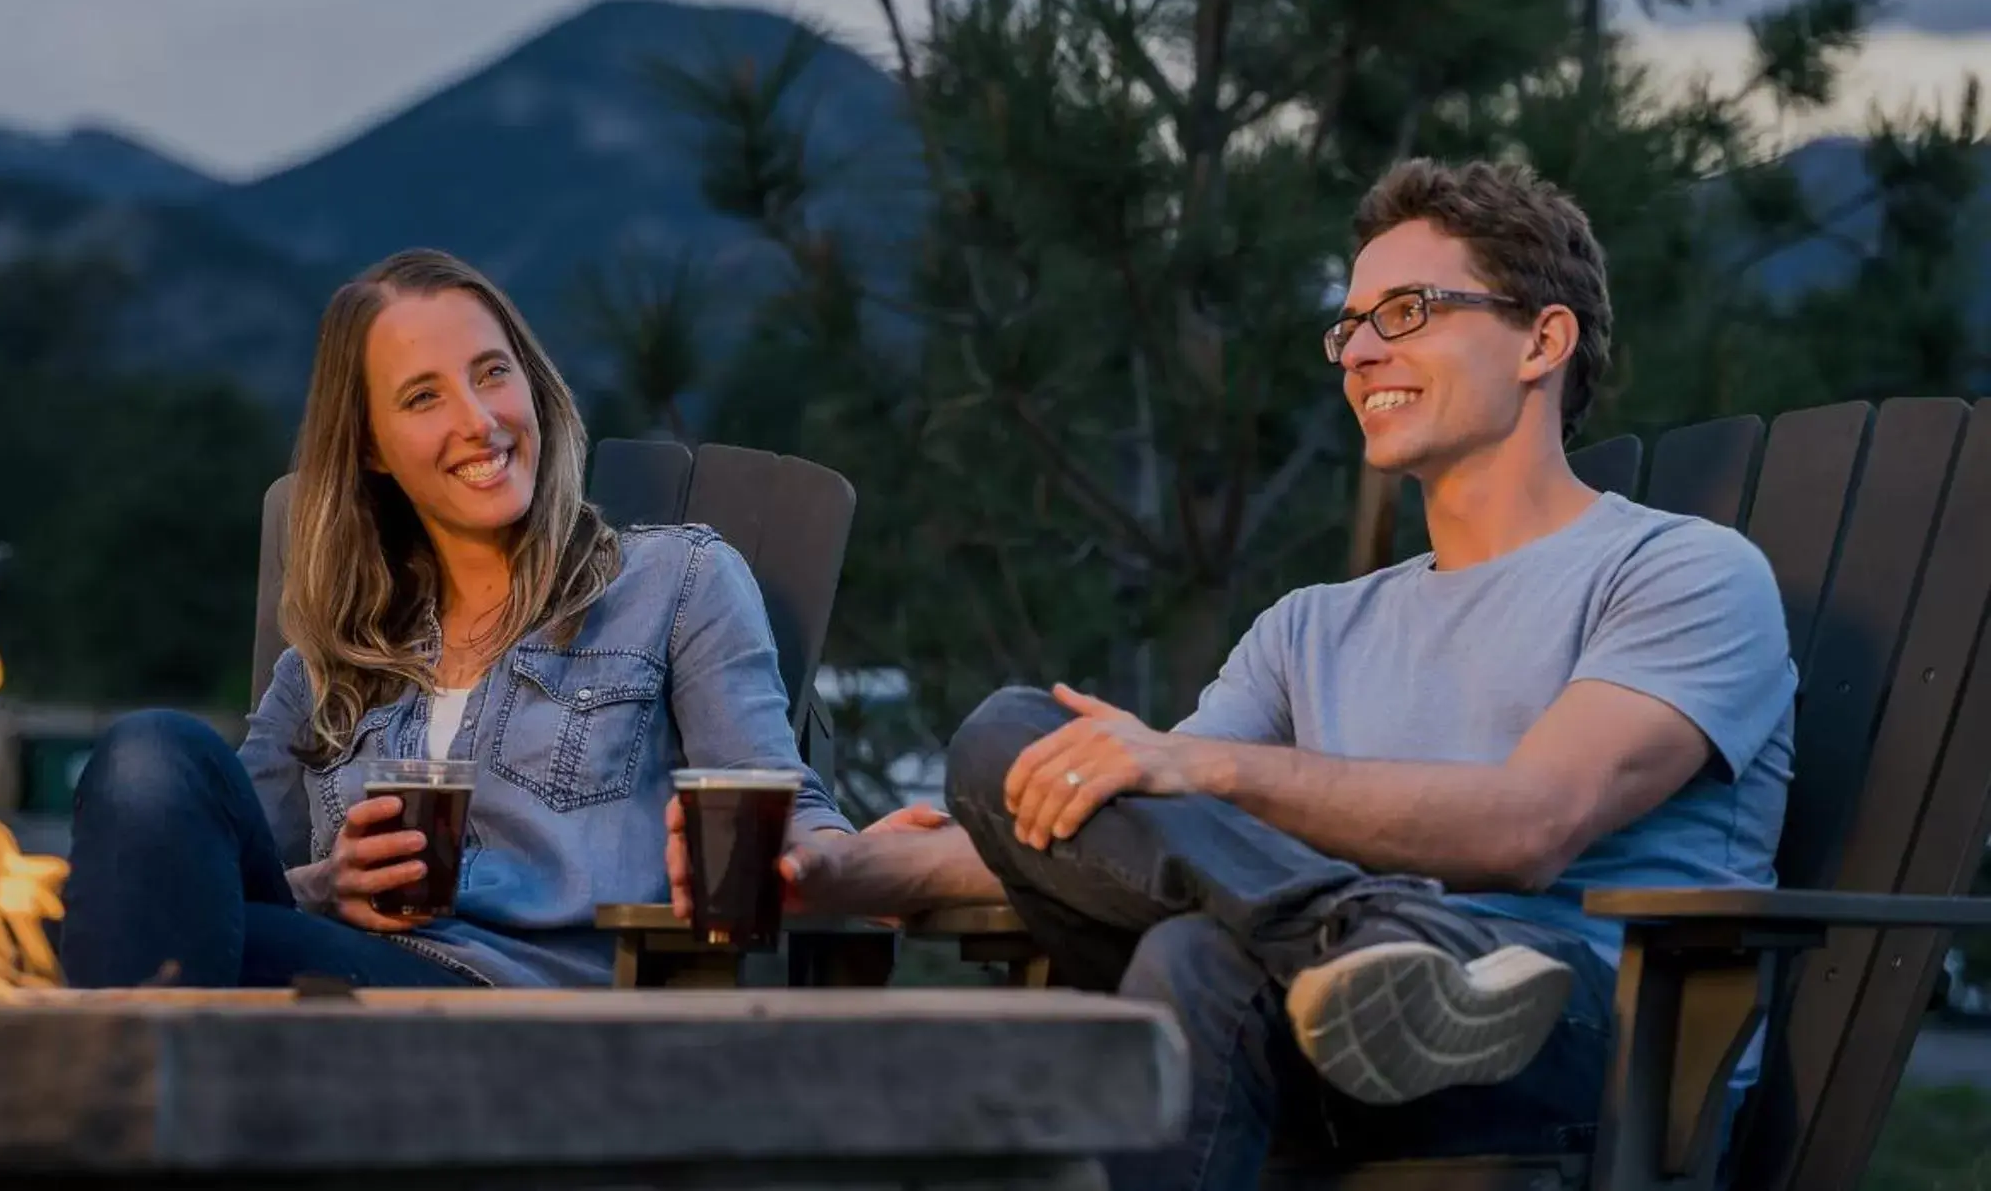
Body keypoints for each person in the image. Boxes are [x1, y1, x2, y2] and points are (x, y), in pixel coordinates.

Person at [763, 159, 1796, 1189]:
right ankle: (1357, 939)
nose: (1360, 352)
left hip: (1591, 1034)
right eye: (1349, 325)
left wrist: (1203, 770)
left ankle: (1379, 945)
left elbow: (1530, 827)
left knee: (1196, 957)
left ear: (1542, 339)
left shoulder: (1681, 572)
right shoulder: (1311, 626)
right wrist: (850, 871)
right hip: (1328, 1021)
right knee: (1007, 738)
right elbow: (1144, 832)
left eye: (1408, 310)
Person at [57, 247, 847, 988]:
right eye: (424, 395)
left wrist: (864, 862)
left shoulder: (674, 583)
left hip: (524, 1016)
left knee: (139, 964)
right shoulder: (331, 663)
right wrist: (325, 885)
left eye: (492, 373)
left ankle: (105, 1103)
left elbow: (781, 810)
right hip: (343, 985)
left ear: (532, 384)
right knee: (153, 754)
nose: (478, 419)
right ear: (371, 447)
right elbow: (211, 869)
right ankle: (128, 1102)